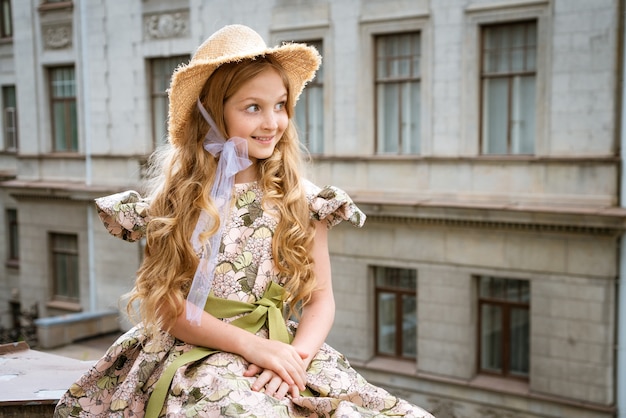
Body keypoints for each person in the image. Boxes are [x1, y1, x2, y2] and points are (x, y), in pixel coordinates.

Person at [54, 24, 435, 418]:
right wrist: (253, 347)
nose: (272, 122)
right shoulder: (177, 199)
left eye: (280, 105)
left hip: (281, 349)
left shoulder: (304, 200)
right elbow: (167, 305)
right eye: (253, 107)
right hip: (197, 354)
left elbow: (321, 299)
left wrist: (294, 360)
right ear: (213, 112)